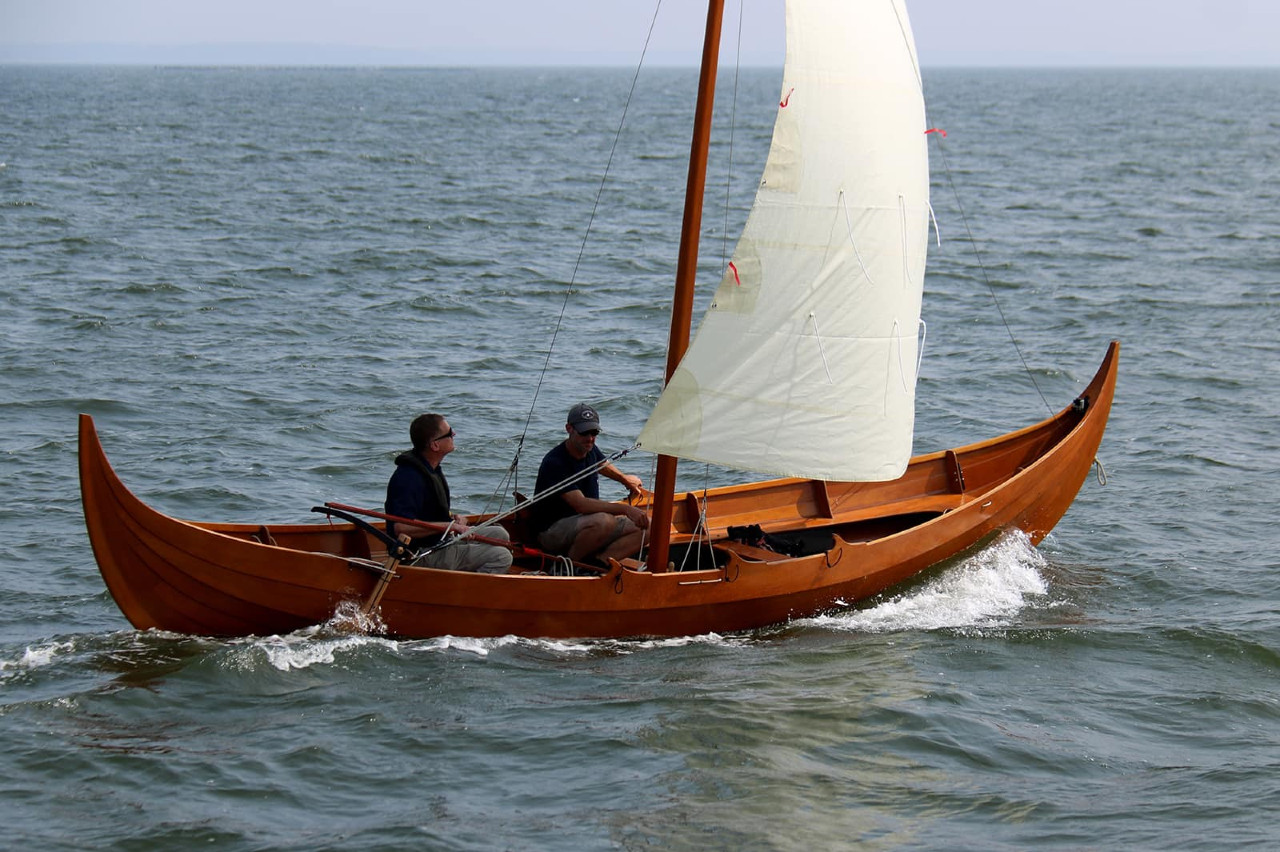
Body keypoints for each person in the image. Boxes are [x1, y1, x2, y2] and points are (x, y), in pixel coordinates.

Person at [385, 413, 513, 574]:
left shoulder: (430, 468)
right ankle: (460, 593)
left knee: (499, 534)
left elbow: (428, 511)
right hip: (420, 554)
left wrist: (452, 519)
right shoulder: (409, 478)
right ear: (435, 445)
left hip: (440, 540)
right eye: (449, 433)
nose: (454, 435)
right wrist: (450, 526)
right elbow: (401, 527)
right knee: (502, 556)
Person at [532, 403, 648, 565]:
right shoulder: (555, 462)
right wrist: (626, 509)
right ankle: (569, 567)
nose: (590, 438)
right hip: (551, 532)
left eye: (594, 432)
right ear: (569, 429)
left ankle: (597, 564)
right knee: (604, 521)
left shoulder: (589, 449)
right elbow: (581, 505)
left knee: (649, 528)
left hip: (587, 524)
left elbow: (601, 465)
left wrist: (624, 479)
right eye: (584, 432)